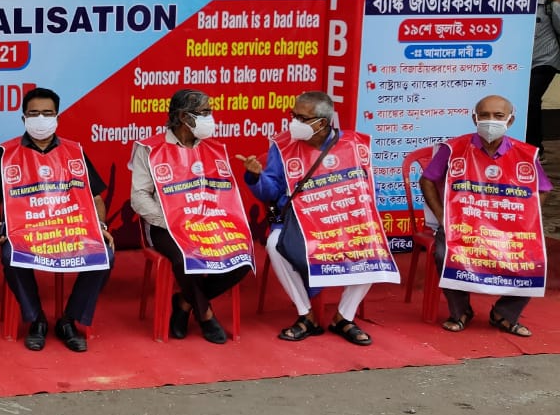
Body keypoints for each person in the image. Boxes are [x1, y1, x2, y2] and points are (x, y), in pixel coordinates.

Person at [237, 91, 399, 346]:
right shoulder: (284, 147)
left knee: (374, 246)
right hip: (298, 222)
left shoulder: (355, 146)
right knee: (274, 244)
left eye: (302, 118)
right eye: (293, 115)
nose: (294, 123)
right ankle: (306, 315)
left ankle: (344, 317)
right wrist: (257, 177)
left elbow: (368, 189)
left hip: (343, 222)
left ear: (322, 123)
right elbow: (272, 191)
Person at [0, 88, 113, 352]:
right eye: (34, 113)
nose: (40, 119)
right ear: (23, 119)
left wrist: (100, 227)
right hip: (25, 230)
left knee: (106, 254)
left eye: (47, 113)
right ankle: (36, 319)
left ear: (57, 117)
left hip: (69, 228)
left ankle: (69, 320)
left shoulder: (75, 151)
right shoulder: (7, 153)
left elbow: (96, 197)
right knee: (10, 256)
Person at [419, 95, 550, 336]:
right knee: (442, 252)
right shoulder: (453, 148)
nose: (491, 121)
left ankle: (504, 313)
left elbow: (543, 190)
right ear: (474, 118)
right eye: (485, 115)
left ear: (510, 121)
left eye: (498, 116)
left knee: (535, 257)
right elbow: (427, 180)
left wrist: (527, 222)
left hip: (507, 229)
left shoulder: (526, 154)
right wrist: (442, 216)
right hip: (463, 226)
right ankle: (461, 312)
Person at [130, 89, 254, 344]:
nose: (211, 118)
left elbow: (224, 194)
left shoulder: (214, 148)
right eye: (204, 113)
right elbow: (139, 197)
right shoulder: (150, 149)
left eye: (210, 111)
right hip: (164, 225)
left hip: (209, 222)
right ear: (184, 117)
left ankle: (185, 303)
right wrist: (172, 223)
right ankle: (206, 315)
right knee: (184, 257)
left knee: (242, 259)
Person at [529, 0, 560, 152]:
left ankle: (535, 148)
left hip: (546, 60)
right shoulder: (515, 6)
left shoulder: (551, 7)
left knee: (531, 99)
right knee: (527, 101)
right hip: (523, 63)